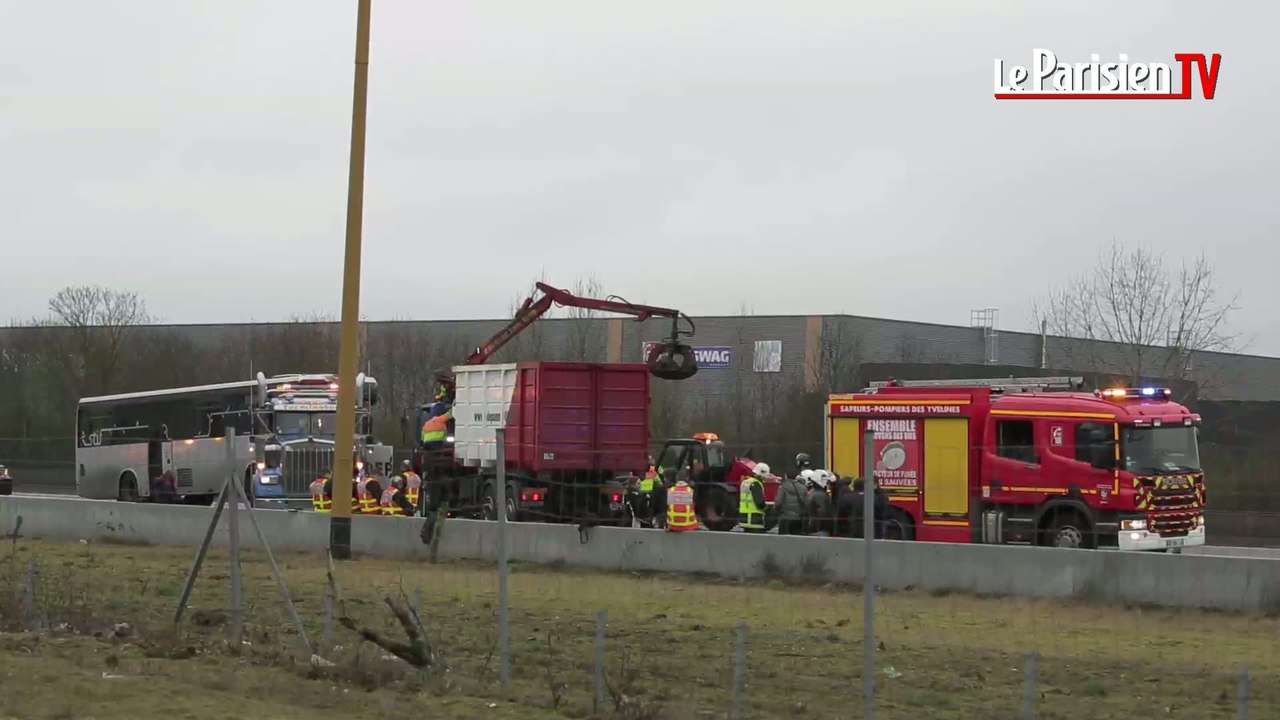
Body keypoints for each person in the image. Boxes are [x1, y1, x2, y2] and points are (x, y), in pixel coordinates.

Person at [774, 467, 808, 535]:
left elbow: (778, 502)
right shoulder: (803, 488)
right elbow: (806, 503)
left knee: (783, 541)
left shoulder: (782, 487)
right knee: (796, 541)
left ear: (786, 476)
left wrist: (777, 511)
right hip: (798, 518)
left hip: (785, 518)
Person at [737, 463, 768, 533]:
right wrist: (766, 508)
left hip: (744, 519)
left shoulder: (745, 482)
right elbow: (759, 502)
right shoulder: (756, 484)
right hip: (754, 520)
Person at [805, 470, 835, 536]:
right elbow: (823, 513)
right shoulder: (820, 495)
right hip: (819, 528)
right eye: (826, 481)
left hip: (814, 526)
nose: (828, 484)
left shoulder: (813, 493)